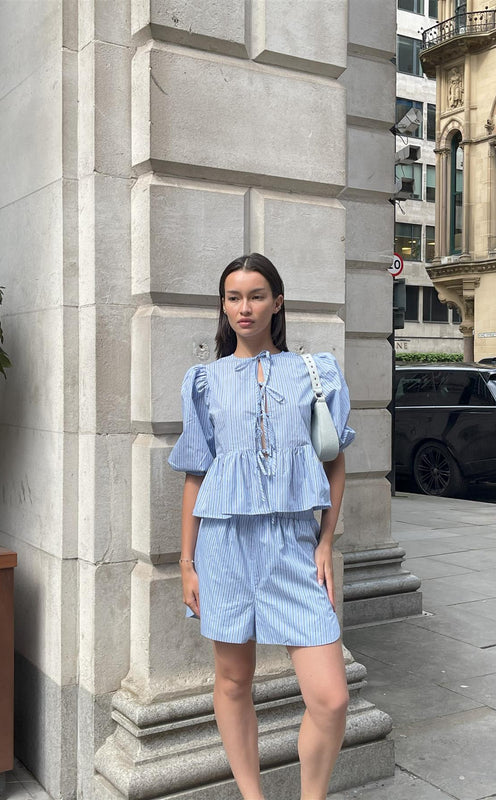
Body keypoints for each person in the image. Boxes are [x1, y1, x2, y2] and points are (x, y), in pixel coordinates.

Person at [168, 253, 355, 800]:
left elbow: (334, 461)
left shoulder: (315, 373)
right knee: (233, 679)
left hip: (294, 545)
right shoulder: (204, 381)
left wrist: (325, 541)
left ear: (277, 302)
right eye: (233, 297)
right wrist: (187, 562)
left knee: (331, 699)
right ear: (223, 306)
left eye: (255, 296)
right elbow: (196, 474)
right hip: (223, 545)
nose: (244, 308)